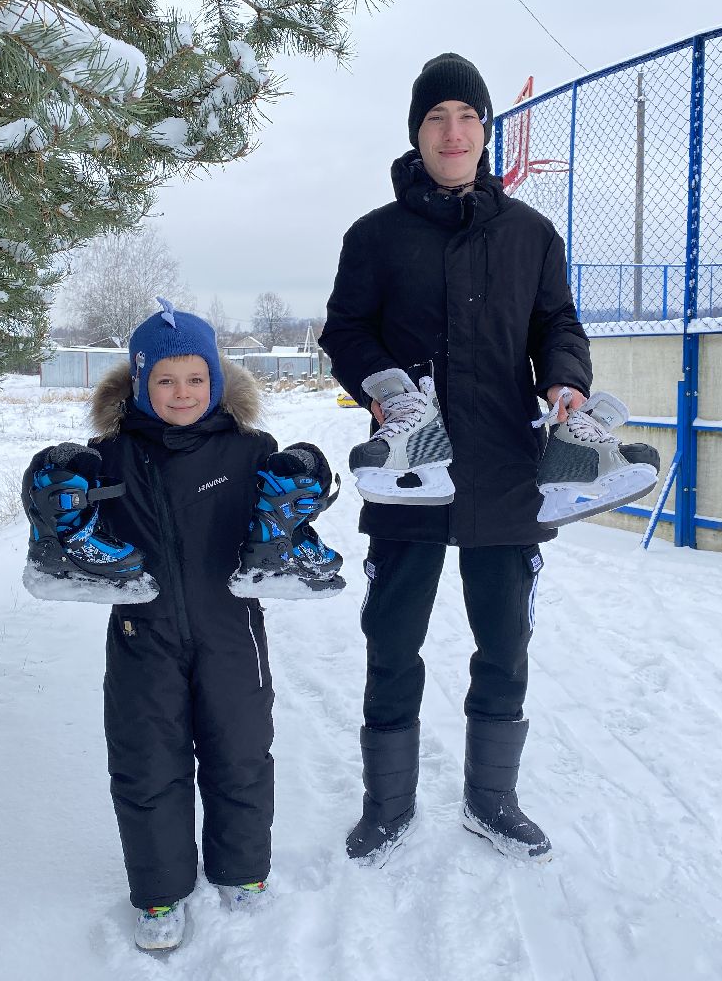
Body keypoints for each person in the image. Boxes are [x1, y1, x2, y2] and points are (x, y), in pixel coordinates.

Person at [319, 52, 594, 866]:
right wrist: (384, 386)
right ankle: (387, 804)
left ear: (485, 133)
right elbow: (344, 330)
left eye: (467, 117)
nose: (453, 130)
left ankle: (492, 798)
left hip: (505, 469)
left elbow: (559, 326)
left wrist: (567, 383)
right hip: (412, 465)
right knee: (393, 639)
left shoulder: (532, 235)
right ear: (417, 132)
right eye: (437, 116)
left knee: (505, 641)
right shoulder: (374, 236)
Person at [76, 304, 336, 951]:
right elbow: (78, 532)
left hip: (232, 632)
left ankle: (241, 872)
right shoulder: (109, 457)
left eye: (195, 378)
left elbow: (286, 522)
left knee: (240, 754)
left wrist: (308, 474)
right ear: (139, 385)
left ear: (216, 382)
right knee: (146, 763)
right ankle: (159, 894)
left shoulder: (251, 452)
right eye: (165, 380)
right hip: (143, 636)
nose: (182, 393)